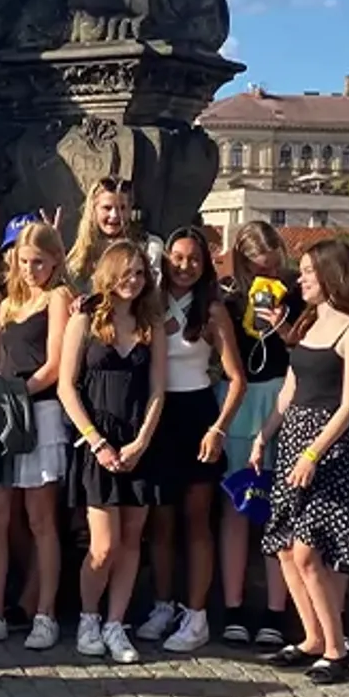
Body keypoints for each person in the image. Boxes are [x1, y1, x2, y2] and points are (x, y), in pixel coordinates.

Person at [253, 241, 349, 685]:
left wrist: (312, 453)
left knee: (308, 552)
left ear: (330, 275)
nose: (300, 279)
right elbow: (289, 390)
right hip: (292, 440)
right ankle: (311, 638)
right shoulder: (305, 322)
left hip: (327, 448)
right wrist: (262, 436)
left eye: (307, 272)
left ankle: (337, 648)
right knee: (285, 547)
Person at [137, 226, 245, 654]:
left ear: (205, 265)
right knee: (160, 521)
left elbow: (237, 378)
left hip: (198, 414)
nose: (185, 266)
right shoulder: (151, 304)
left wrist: (218, 427)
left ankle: (196, 614)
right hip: (158, 415)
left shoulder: (213, 310)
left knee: (196, 520)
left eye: (194, 259)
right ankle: (163, 604)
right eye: (177, 258)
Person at [59, 240, 167, 664]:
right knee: (102, 544)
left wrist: (142, 440)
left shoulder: (150, 323)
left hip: (139, 439)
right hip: (97, 438)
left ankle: (115, 623)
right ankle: (88, 616)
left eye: (140, 274)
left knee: (131, 541)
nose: (134, 281)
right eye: (127, 273)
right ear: (109, 274)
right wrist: (96, 440)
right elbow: (67, 386)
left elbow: (159, 388)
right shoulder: (85, 317)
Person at [0, 216, 72, 649]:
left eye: (40, 262)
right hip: (6, 409)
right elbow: (0, 357)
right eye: (26, 261)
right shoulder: (10, 303)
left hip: (39, 410)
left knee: (40, 518)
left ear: (54, 262)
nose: (31, 270)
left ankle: (45, 613)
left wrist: (13, 391)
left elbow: (53, 366)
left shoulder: (59, 297)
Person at [217, 221, 295, 647]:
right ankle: (232, 606)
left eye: (273, 266)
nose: (266, 275)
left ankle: (275, 611)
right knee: (236, 504)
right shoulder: (227, 297)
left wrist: (283, 326)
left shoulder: (295, 294)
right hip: (238, 400)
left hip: (280, 398)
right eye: (257, 267)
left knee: (275, 505)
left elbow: (304, 352)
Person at [67, 177, 133, 284]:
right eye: (107, 208)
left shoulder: (147, 247)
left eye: (122, 208)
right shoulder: (79, 252)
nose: (115, 215)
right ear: (93, 209)